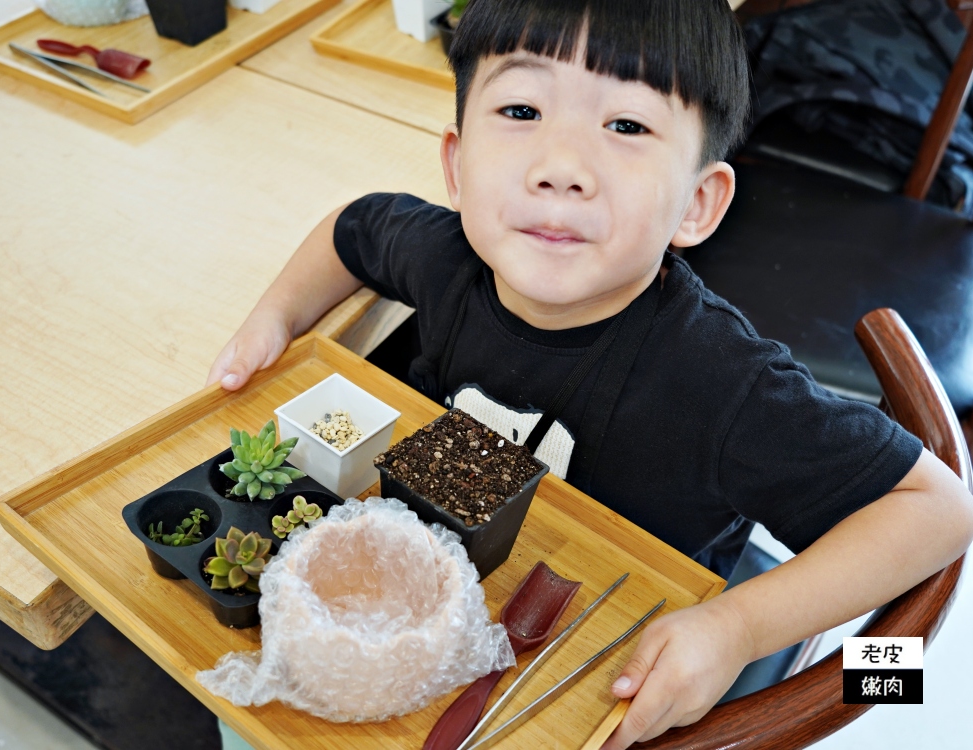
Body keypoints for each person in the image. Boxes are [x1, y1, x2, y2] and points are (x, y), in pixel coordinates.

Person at [206, 0, 973, 746]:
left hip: (625, 661)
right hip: (458, 592)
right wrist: (271, 320)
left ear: (697, 205)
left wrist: (736, 630)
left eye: (627, 125)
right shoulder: (446, 257)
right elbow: (356, 224)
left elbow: (941, 510)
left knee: (904, 678)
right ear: (456, 163)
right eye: (519, 112)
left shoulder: (719, 381)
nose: (561, 167)